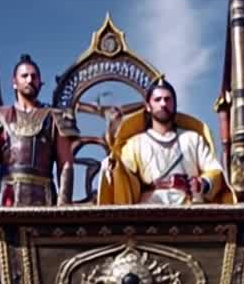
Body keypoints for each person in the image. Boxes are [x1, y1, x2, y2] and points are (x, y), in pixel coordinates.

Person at [0, 54, 75, 207]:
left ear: (40, 82)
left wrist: (63, 207)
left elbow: (65, 164)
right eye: (24, 76)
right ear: (15, 82)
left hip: (45, 205)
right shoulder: (3, 117)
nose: (29, 80)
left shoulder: (54, 118)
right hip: (9, 203)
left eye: (34, 76)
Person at [98, 78, 230, 205]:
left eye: (168, 99)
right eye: (157, 99)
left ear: (174, 104)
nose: (163, 104)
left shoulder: (193, 139)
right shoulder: (134, 144)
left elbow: (215, 171)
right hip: (149, 213)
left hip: (190, 211)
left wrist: (203, 183)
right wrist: (113, 165)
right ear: (148, 106)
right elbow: (125, 177)